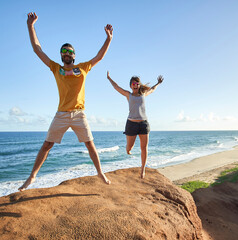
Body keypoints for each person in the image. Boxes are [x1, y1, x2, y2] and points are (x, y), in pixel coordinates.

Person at [19, 12, 112, 191]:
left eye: (70, 51)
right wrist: (30, 26)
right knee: (47, 144)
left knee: (90, 143)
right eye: (64, 51)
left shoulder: (83, 67)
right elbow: (37, 49)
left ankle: (100, 173)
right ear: (61, 56)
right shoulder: (56, 68)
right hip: (61, 113)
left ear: (74, 55)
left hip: (79, 113)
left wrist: (108, 38)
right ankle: (31, 177)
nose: (67, 53)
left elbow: (99, 56)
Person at [106, 71, 163, 178]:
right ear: (131, 86)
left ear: (139, 85)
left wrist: (158, 83)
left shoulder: (143, 94)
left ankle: (143, 169)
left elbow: (152, 89)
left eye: (137, 83)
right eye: (133, 84)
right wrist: (109, 78)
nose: (135, 85)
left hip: (143, 124)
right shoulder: (128, 95)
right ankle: (128, 150)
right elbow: (117, 87)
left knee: (144, 147)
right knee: (129, 147)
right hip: (131, 124)